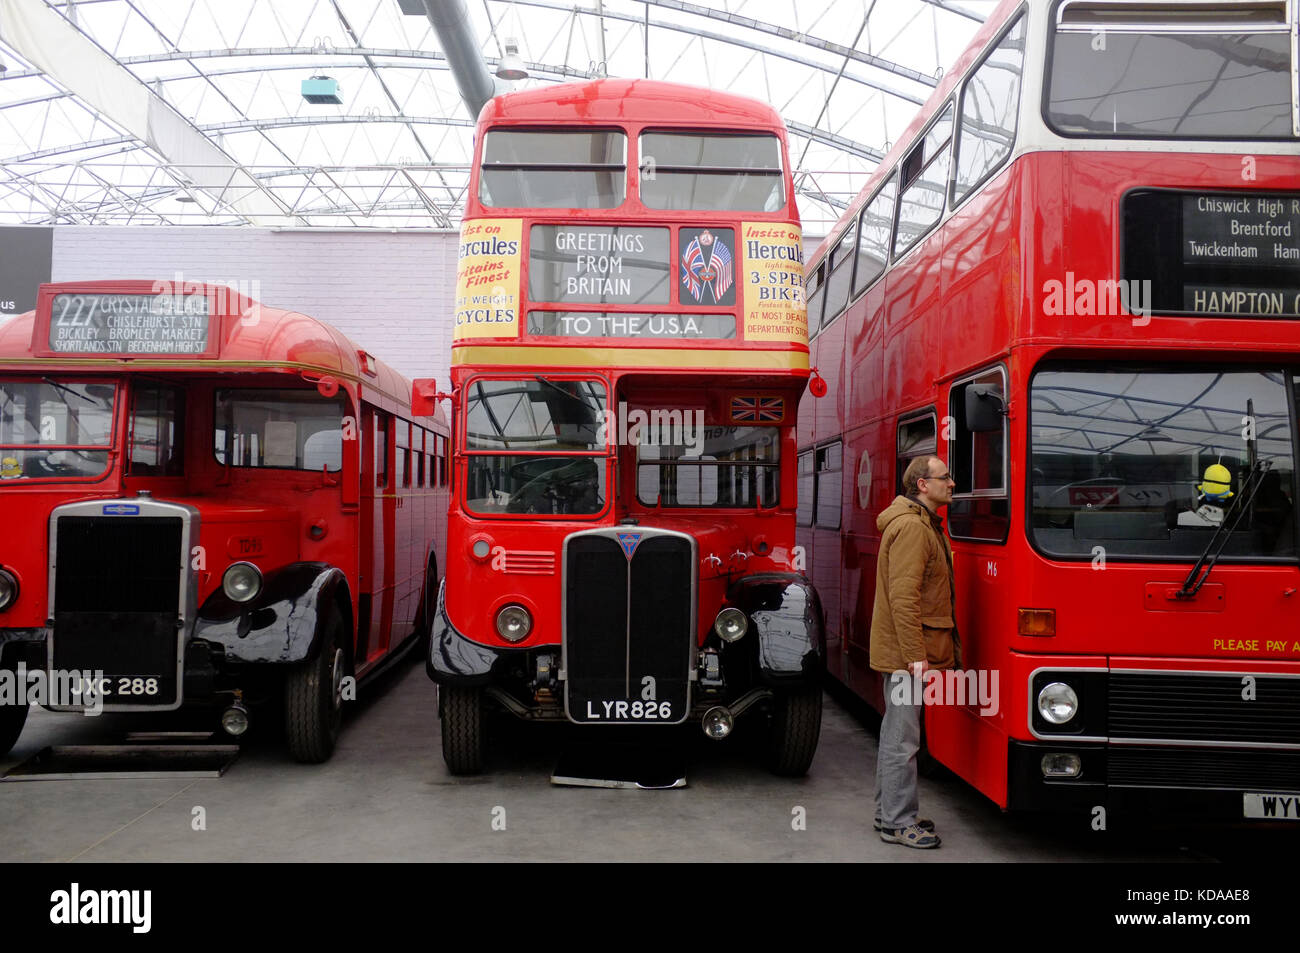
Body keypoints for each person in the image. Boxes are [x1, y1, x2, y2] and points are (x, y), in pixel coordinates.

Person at [870, 454, 959, 849]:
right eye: (944, 477)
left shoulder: (920, 524)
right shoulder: (912, 529)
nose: (951, 483)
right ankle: (898, 823)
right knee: (904, 739)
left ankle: (887, 813)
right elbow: (903, 598)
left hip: (904, 650)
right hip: (906, 654)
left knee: (896, 732)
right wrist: (914, 654)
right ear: (922, 485)